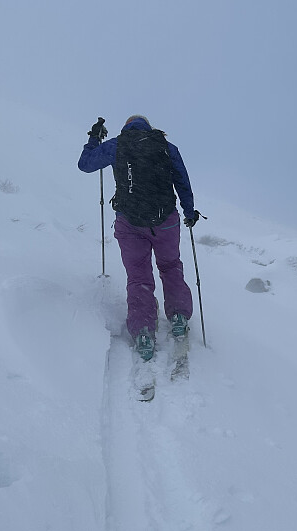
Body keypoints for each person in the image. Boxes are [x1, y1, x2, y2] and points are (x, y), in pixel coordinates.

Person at [78, 115, 201, 361]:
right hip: (165, 221)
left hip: (130, 222)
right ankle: (178, 317)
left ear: (126, 128)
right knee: (170, 266)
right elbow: (182, 182)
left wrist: (93, 138)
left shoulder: (116, 145)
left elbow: (85, 164)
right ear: (150, 127)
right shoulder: (166, 147)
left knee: (138, 275)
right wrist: (189, 212)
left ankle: (144, 331)